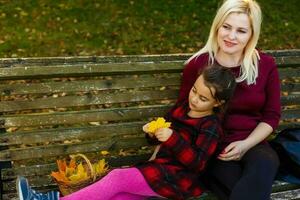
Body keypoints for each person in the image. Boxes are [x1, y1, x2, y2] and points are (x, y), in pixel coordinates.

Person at [17, 65, 236, 200]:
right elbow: (161, 135)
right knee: (119, 196)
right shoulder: (181, 109)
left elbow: (197, 163)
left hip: (178, 179)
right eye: (194, 91)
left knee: (117, 178)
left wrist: (173, 139)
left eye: (203, 98)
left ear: (218, 103)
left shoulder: (210, 127)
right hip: (158, 169)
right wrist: (153, 133)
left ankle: (48, 199)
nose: (194, 99)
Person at [178, 0, 281, 200]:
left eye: (241, 31)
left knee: (266, 163)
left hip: (253, 143)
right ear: (217, 26)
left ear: (252, 34)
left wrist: (245, 144)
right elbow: (182, 111)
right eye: (226, 27)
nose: (231, 36)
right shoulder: (199, 65)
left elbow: (271, 116)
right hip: (212, 146)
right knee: (236, 188)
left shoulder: (265, 65)